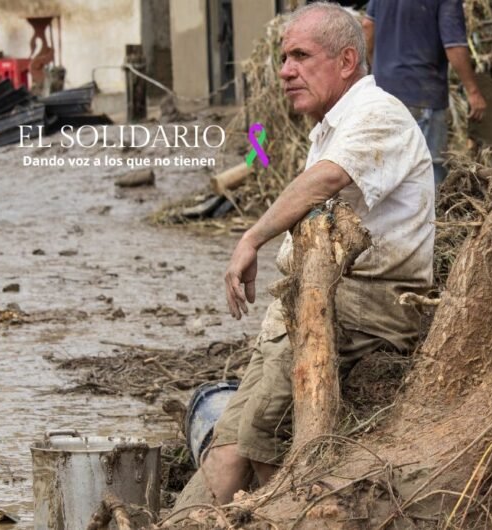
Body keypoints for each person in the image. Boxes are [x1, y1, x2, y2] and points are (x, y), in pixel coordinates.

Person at [171, 2, 435, 511]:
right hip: (304, 299)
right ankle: (183, 521)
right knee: (226, 441)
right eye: (283, 57)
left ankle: (281, 516)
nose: (285, 70)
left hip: (364, 303)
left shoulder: (378, 114)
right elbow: (288, 168)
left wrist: (252, 237)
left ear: (346, 61)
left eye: (300, 56)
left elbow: (328, 180)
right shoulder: (327, 126)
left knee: (259, 433)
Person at [362, 0, 487, 184]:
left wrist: (378, 68)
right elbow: (453, 45)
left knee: (386, 171)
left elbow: (367, 26)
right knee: (427, 175)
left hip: (382, 95)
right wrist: (473, 91)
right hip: (422, 95)